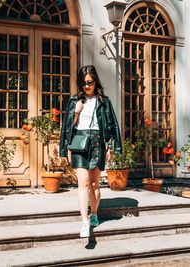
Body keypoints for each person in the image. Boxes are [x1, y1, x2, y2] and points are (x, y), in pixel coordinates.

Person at [59, 65, 122, 238]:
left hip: (97, 142)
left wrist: (110, 146)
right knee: (83, 183)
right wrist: (77, 112)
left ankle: (94, 213)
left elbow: (110, 124)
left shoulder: (104, 101)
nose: (87, 86)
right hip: (79, 142)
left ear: (95, 81)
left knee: (94, 184)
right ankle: (85, 221)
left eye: (90, 82)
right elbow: (67, 127)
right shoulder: (75, 101)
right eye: (84, 83)